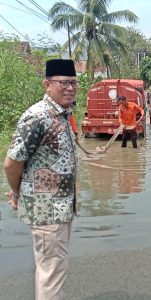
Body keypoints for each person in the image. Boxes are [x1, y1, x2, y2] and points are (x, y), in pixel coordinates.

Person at [4, 59, 79, 300]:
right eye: (63, 83)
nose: (70, 88)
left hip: (61, 205)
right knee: (52, 272)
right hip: (47, 208)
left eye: (73, 83)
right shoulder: (37, 117)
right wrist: (17, 193)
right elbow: (12, 162)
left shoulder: (62, 115)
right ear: (47, 84)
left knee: (53, 268)